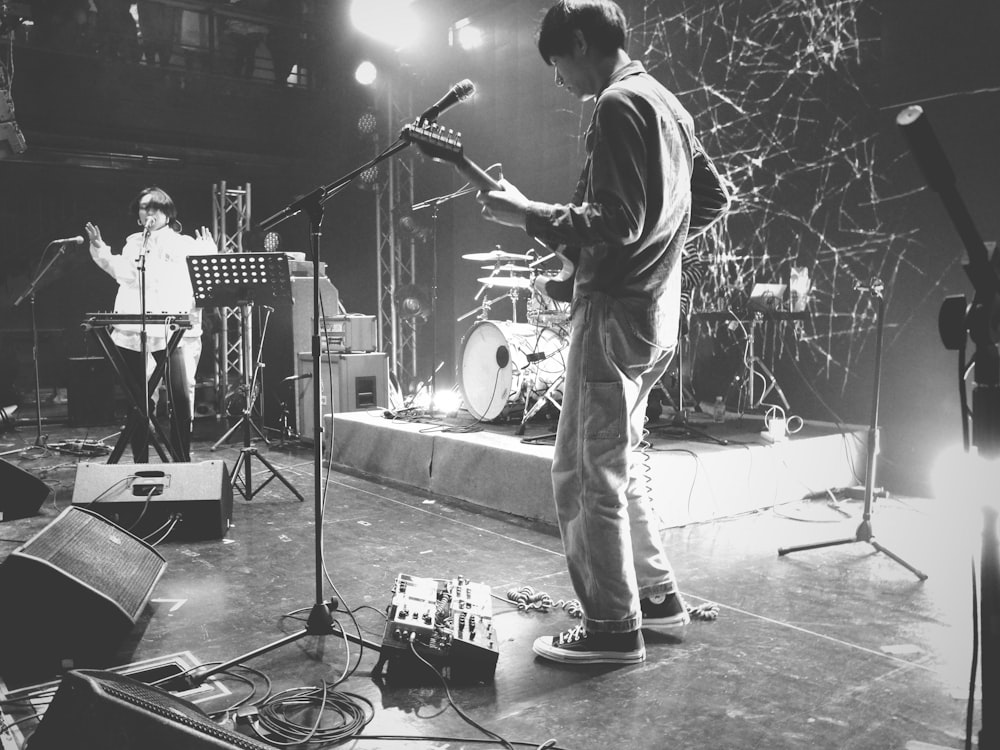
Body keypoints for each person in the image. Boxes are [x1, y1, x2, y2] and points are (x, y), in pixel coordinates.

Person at [477, 0, 694, 664]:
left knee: (582, 473)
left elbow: (617, 220)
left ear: (578, 42)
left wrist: (526, 213)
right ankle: (657, 599)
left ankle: (611, 629)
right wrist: (654, 261)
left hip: (613, 317)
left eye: (556, 63)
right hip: (656, 315)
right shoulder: (671, 107)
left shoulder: (616, 105)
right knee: (619, 464)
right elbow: (711, 199)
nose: (557, 79)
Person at [85, 187, 215, 463]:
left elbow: (204, 276)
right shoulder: (134, 244)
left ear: (168, 212)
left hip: (172, 331)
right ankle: (140, 463)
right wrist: (101, 250)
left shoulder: (184, 243)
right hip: (134, 330)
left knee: (181, 396)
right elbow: (122, 273)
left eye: (157, 207)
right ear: (138, 214)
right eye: (145, 207)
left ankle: (182, 459)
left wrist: (209, 251)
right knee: (138, 400)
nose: (150, 212)